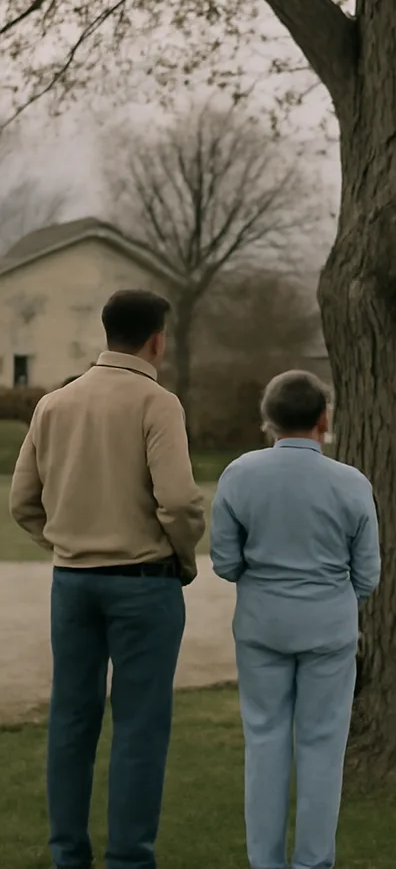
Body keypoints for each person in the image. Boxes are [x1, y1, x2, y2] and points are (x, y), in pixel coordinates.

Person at [9, 289, 206, 869]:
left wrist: (69, 541)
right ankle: (127, 859)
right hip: (144, 582)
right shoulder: (156, 401)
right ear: (157, 338)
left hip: (73, 583)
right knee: (139, 728)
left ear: (106, 330)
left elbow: (24, 502)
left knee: (71, 721)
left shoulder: (54, 403)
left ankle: (68, 854)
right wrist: (184, 556)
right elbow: (178, 501)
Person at [210, 370, 380, 869]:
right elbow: (367, 572)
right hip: (328, 625)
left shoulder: (239, 474)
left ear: (268, 420)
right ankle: (312, 861)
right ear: (323, 420)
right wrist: (333, 600)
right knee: (323, 744)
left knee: (263, 741)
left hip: (262, 623)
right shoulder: (351, 482)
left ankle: (264, 861)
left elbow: (223, 561)